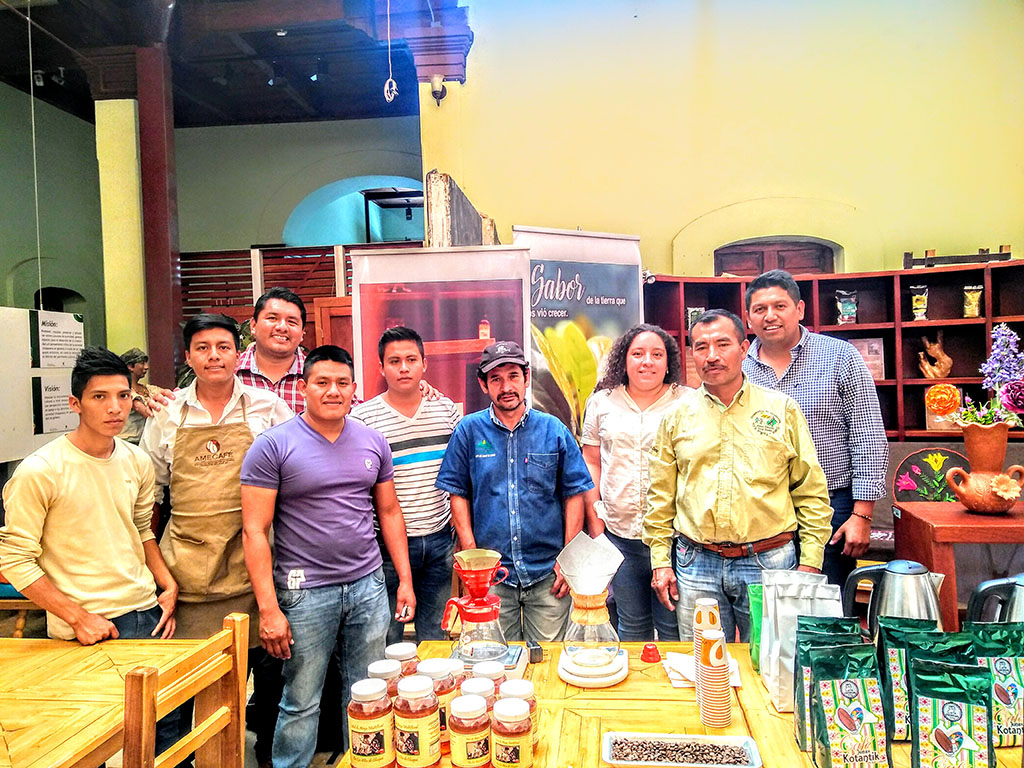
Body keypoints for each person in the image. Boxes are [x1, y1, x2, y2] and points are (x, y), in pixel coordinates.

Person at [240, 345, 415, 768]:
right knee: (301, 699)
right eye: (322, 382)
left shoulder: (372, 441)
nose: (332, 391)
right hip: (304, 594)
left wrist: (404, 580)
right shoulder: (273, 445)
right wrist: (269, 609)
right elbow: (254, 530)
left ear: (354, 389)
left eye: (341, 383)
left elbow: (390, 511)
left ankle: (365, 762)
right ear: (304, 388)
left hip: (368, 586)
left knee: (368, 692)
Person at [0, 346, 183, 750]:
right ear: (75, 404)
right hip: (86, 625)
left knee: (165, 736)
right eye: (100, 397)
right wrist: (77, 617)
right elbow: (14, 559)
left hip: (146, 613)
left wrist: (166, 583)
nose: (115, 407)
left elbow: (140, 529)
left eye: (123, 395)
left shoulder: (136, 460)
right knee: (85, 743)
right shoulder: (41, 471)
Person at [139, 313, 292, 767]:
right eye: (202, 348)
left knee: (267, 685)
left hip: (254, 570)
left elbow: (294, 470)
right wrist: (157, 573)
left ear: (237, 354)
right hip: (186, 576)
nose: (214, 357)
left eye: (223, 347)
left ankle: (264, 758)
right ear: (188, 357)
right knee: (180, 691)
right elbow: (151, 496)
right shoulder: (166, 414)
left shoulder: (267, 407)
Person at [644, 310, 832, 642]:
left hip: (769, 561)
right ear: (692, 354)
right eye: (701, 347)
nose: (712, 356)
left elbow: (810, 491)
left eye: (723, 344)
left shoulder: (781, 409)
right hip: (696, 562)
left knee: (770, 661)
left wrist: (811, 561)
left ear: (744, 349)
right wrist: (661, 560)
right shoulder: (676, 417)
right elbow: (660, 496)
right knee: (703, 661)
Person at [436, 341, 594, 642]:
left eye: (513, 376)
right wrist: (473, 558)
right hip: (492, 577)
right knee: (495, 660)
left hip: (548, 573)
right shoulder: (468, 431)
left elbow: (574, 494)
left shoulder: (553, 430)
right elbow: (458, 494)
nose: (506, 387)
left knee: (548, 659)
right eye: (496, 379)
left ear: (526, 378)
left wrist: (568, 558)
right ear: (483, 384)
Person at [741, 269, 888, 592]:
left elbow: (867, 435)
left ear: (800, 309)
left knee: (824, 604)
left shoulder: (839, 356)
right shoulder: (739, 368)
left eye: (780, 306)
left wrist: (862, 516)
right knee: (767, 606)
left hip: (832, 505)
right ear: (748, 318)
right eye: (760, 309)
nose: (770, 316)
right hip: (761, 510)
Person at [351, 326, 460, 643]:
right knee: (386, 637)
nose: (403, 368)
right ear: (381, 367)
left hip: (440, 541)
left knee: (435, 637)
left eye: (411, 359)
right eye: (394, 361)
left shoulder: (446, 411)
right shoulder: (363, 420)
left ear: (424, 364)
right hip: (385, 546)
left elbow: (459, 475)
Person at [582, 324, 686, 642]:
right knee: (631, 626)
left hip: (674, 538)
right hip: (619, 537)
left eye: (657, 355)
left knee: (672, 626)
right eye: (637, 354)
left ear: (668, 362)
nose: (647, 362)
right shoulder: (602, 403)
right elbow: (591, 461)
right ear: (623, 361)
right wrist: (597, 527)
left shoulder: (688, 402)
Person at [119, 347, 153, 444]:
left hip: (142, 440)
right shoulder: (124, 389)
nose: (146, 367)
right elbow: (141, 408)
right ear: (130, 366)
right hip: (128, 441)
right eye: (142, 363)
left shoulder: (146, 388)